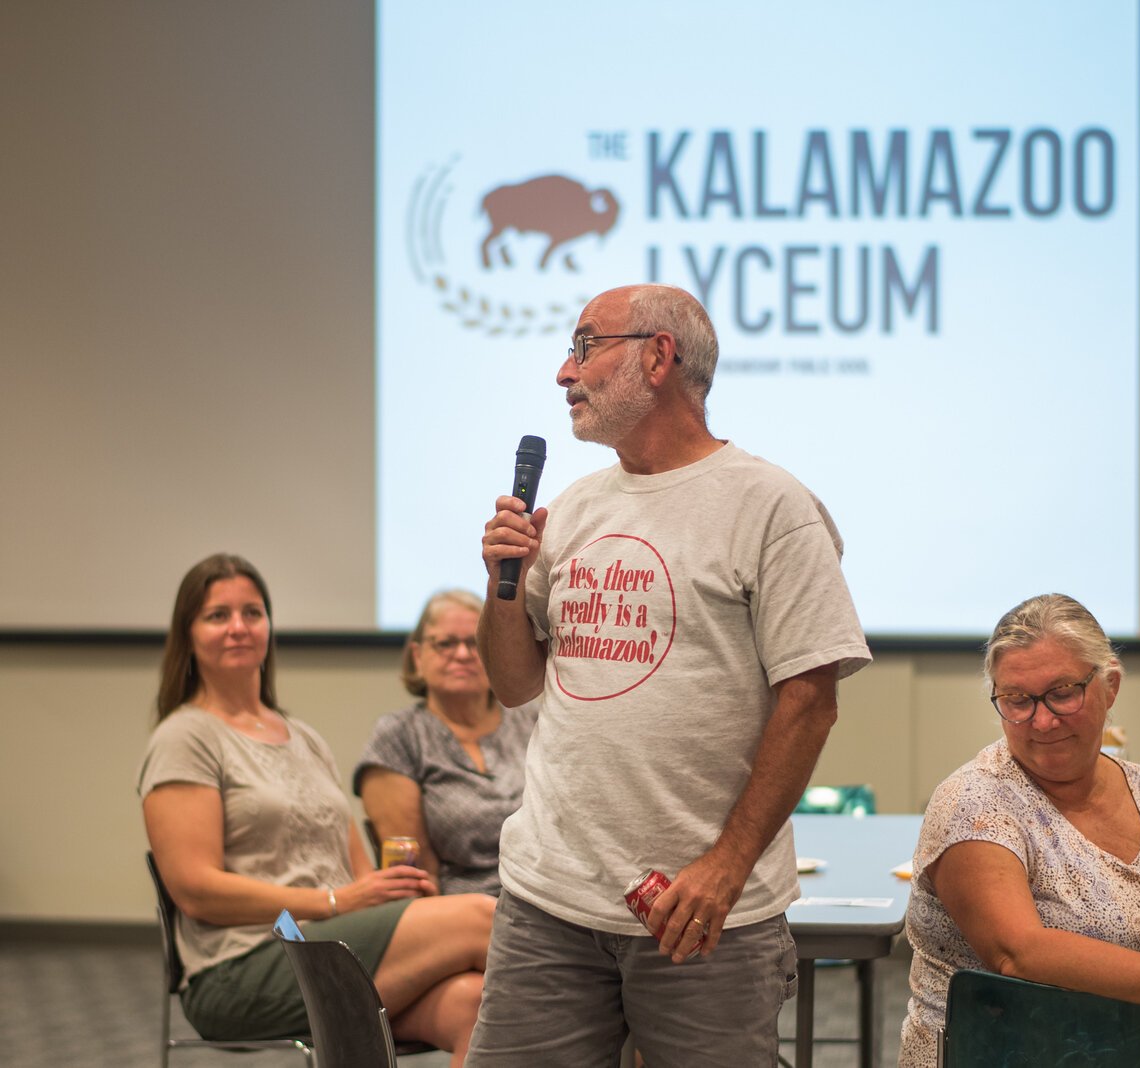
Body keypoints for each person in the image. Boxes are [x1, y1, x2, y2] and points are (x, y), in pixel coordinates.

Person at [469, 282, 872, 1067]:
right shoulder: (578, 505)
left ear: (659, 357)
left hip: (698, 917)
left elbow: (810, 703)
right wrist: (502, 583)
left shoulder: (771, 506)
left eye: (587, 346)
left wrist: (726, 867)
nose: (563, 371)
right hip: (549, 899)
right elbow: (515, 683)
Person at [139, 554, 494, 1067]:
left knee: (474, 1004)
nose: (239, 627)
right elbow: (195, 891)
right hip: (243, 967)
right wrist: (334, 901)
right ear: (188, 634)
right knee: (482, 918)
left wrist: (384, 893)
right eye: (219, 615)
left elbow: (358, 871)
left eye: (253, 613)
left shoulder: (300, 736)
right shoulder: (183, 738)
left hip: (332, 946)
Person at [898, 593, 1140, 1067]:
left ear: (1110, 686)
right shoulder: (974, 802)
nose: (1041, 719)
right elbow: (1021, 952)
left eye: (1062, 693)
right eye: (1016, 701)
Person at [354, 589, 536, 895]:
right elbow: (418, 879)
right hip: (463, 907)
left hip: (546, 898)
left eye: (475, 642)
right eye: (446, 644)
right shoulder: (399, 736)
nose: (463, 655)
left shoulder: (533, 721)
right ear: (417, 657)